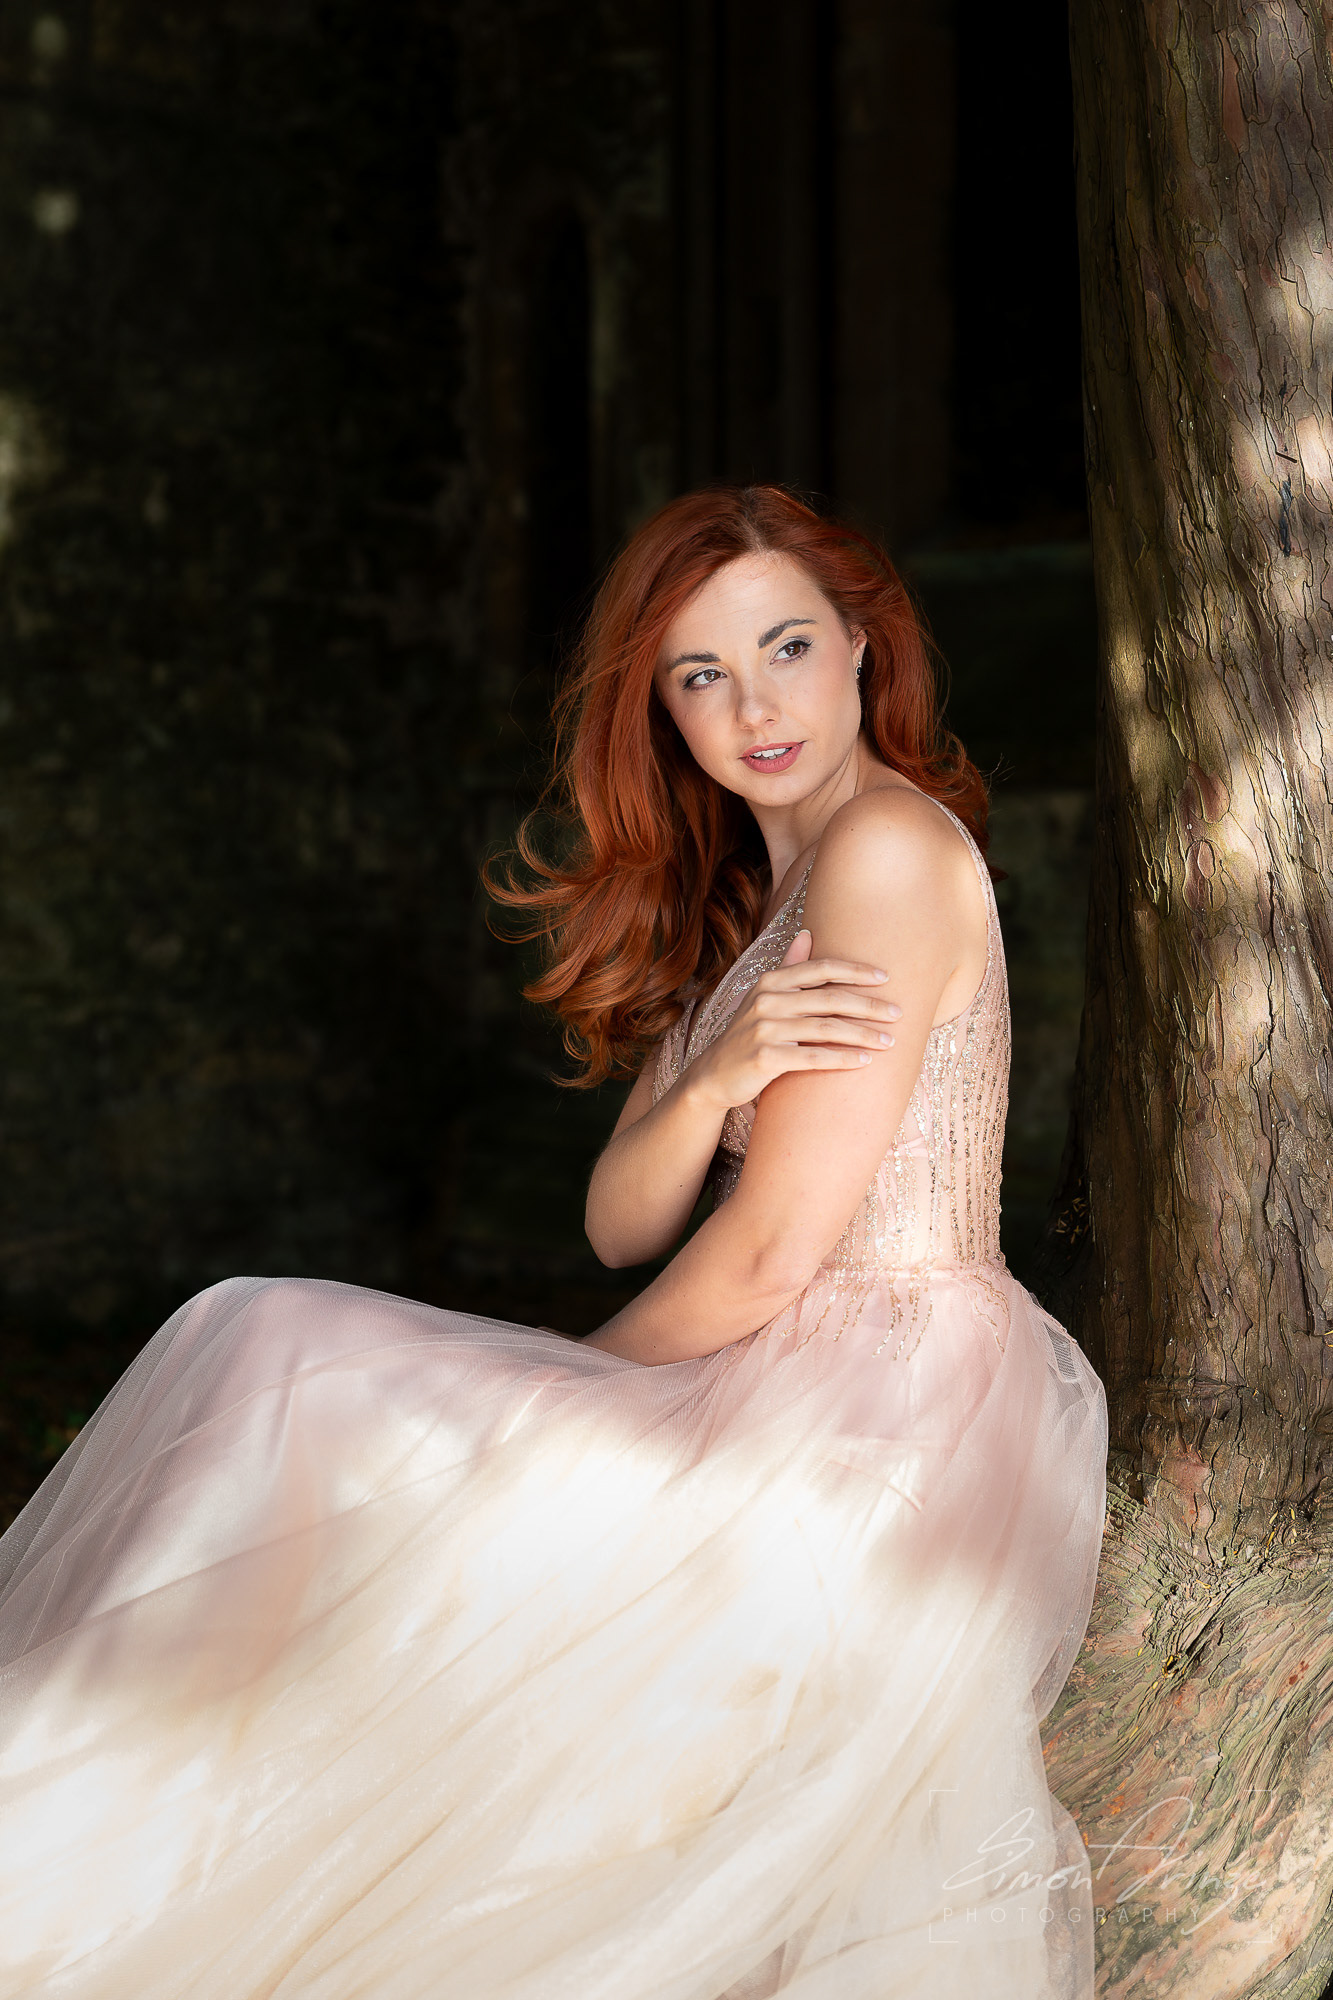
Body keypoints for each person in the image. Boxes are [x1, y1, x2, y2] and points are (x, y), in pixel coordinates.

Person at [0, 484, 1107, 1999]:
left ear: (863, 645)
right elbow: (619, 1215)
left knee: (276, 1354)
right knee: (263, 1351)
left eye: (786, 647)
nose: (753, 705)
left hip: (874, 1403)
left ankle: (106, 1825)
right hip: (769, 1354)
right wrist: (714, 1072)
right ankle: (122, 1809)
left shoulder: (887, 855)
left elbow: (776, 1254)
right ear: (659, 712)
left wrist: (549, 1403)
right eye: (699, 676)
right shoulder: (766, 890)